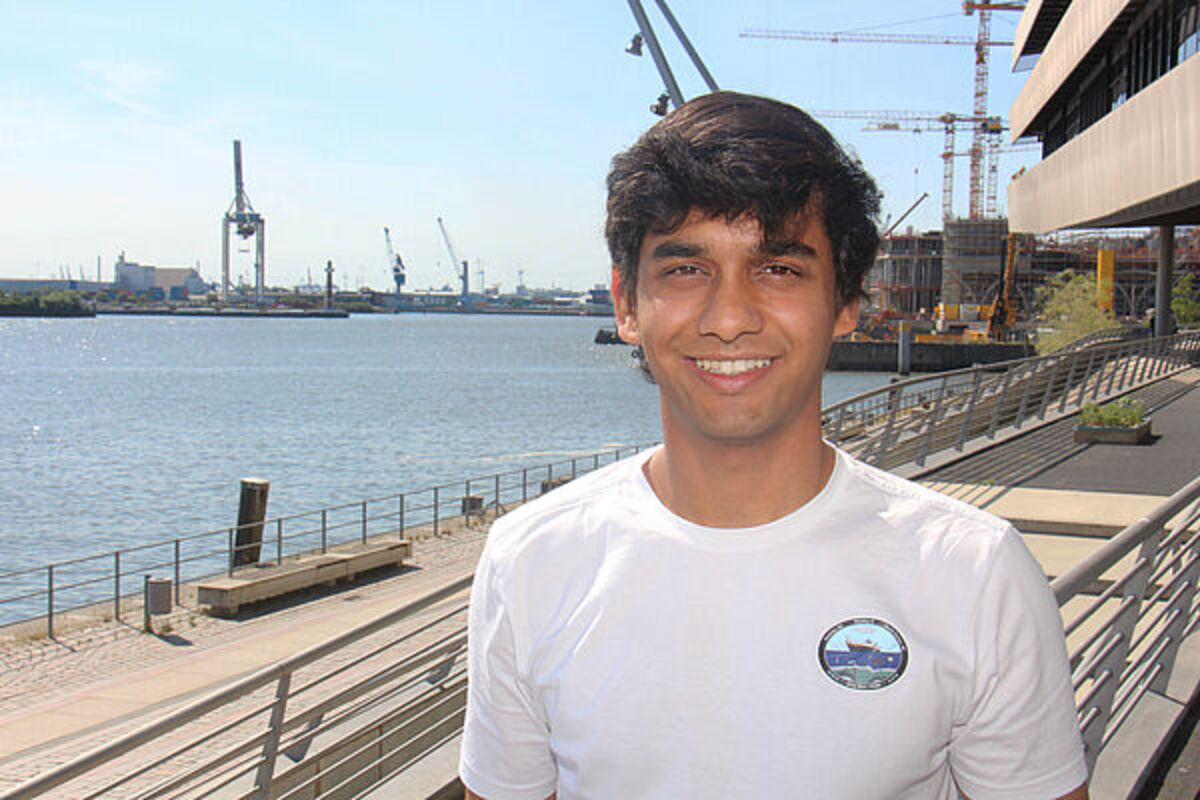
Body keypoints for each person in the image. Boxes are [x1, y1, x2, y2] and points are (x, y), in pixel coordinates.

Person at [459, 91, 1088, 800]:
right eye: (685, 269)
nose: (729, 318)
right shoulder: (531, 561)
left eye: (779, 269)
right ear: (626, 304)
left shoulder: (974, 573)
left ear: (847, 300)